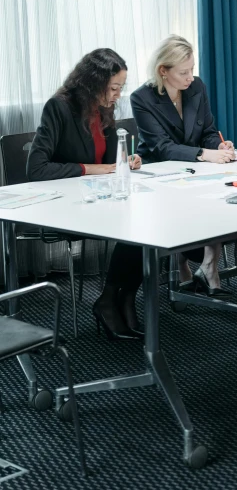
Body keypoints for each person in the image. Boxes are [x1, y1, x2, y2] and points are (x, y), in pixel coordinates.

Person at [27, 49, 145, 341]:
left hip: (99, 197)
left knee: (145, 223)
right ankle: (109, 300)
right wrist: (93, 169)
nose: (118, 94)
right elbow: (37, 169)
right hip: (66, 204)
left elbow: (107, 160)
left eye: (121, 88)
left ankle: (123, 298)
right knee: (136, 228)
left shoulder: (103, 109)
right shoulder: (59, 108)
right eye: (114, 87)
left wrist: (124, 162)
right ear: (94, 82)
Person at [130, 34, 234, 295]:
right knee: (186, 203)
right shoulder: (141, 98)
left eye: (192, 70)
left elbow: (208, 130)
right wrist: (203, 154)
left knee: (221, 196)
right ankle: (180, 261)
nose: (190, 77)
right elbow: (162, 147)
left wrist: (217, 146)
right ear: (163, 71)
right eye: (183, 72)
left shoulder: (196, 87)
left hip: (196, 168)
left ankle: (210, 265)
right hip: (158, 172)